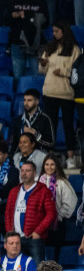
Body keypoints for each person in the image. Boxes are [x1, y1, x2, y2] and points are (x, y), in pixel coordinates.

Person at [39, 21, 81, 167]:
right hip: (49, 92)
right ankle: (50, 157)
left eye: (56, 31)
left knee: (68, 125)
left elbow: (78, 72)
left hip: (67, 93)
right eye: (53, 31)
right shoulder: (50, 48)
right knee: (51, 125)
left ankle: (70, 158)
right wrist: (43, 65)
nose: (54, 34)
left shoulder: (75, 50)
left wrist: (63, 72)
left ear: (64, 31)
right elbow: (42, 71)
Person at [5, 160, 56, 263]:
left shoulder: (43, 190)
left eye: (28, 170)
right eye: (22, 170)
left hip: (34, 239)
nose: (24, 173)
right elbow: (8, 214)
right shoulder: (14, 191)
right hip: (16, 239)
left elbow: (51, 213)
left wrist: (38, 231)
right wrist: (10, 232)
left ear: (34, 173)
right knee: (18, 270)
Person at [7, 0, 51, 79]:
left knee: (38, 76)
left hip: (35, 44)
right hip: (17, 43)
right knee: (17, 77)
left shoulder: (40, 2)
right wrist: (15, 15)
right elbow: (7, 21)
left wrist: (27, 17)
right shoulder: (14, 1)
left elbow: (45, 22)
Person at [39, 154, 78, 259]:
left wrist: (59, 215)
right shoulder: (39, 181)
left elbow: (71, 201)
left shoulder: (61, 182)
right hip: (41, 223)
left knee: (55, 254)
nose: (49, 167)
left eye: (52, 164)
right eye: (47, 164)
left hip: (57, 223)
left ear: (57, 166)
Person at [10, 89, 55, 155]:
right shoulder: (18, 120)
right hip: (21, 156)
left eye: (29, 100)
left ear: (37, 102)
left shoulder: (45, 119)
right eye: (25, 100)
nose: (26, 103)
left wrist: (35, 134)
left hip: (39, 155)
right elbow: (14, 144)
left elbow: (51, 143)